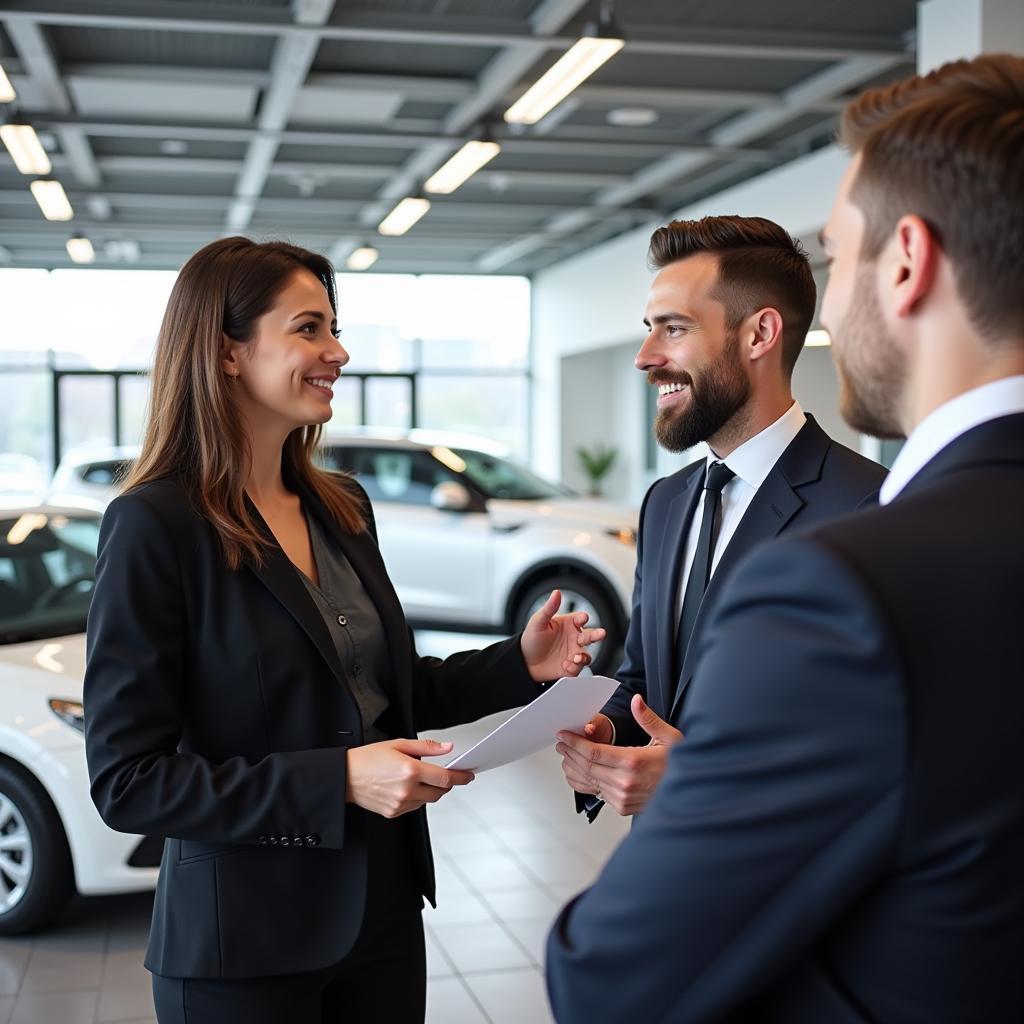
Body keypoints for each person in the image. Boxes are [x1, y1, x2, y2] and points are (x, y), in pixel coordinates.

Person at [546, 52, 1024, 1023]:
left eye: (838, 253)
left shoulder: (854, 572)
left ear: (904, 262)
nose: (831, 297)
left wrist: (700, 790)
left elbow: (608, 978)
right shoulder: (674, 504)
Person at [82, 237, 604, 1024]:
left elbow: (375, 691)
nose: (339, 352)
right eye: (309, 329)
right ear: (228, 353)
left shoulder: (341, 506)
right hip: (243, 948)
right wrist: (340, 781)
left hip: (383, 918)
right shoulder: (155, 524)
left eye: (335, 328)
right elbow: (128, 780)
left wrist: (518, 666)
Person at [558, 215, 884, 819]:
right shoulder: (666, 503)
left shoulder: (870, 510)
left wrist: (701, 778)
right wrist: (608, 732)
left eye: (673, 329)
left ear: (759, 334)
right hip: (666, 862)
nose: (645, 357)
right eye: (649, 330)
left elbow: (888, 746)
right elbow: (647, 679)